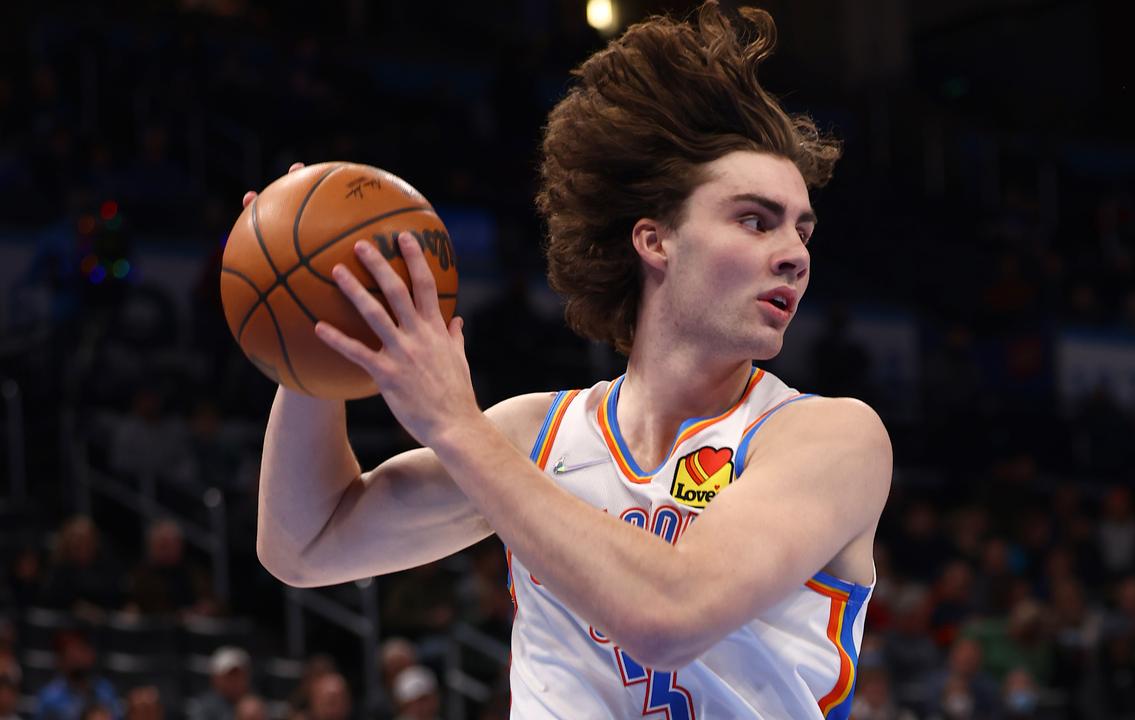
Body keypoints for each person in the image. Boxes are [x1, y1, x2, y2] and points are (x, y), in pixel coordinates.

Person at [250, 2, 891, 717]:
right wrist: (311, 327)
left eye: (802, 230)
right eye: (754, 220)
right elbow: (305, 546)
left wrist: (457, 428)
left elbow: (669, 616)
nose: (795, 256)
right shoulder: (535, 437)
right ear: (656, 241)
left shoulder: (830, 438)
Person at [192, 646, 253, 720]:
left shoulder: (254, 704)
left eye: (237, 675)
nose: (233, 681)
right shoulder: (203, 707)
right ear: (215, 678)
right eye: (228, 676)